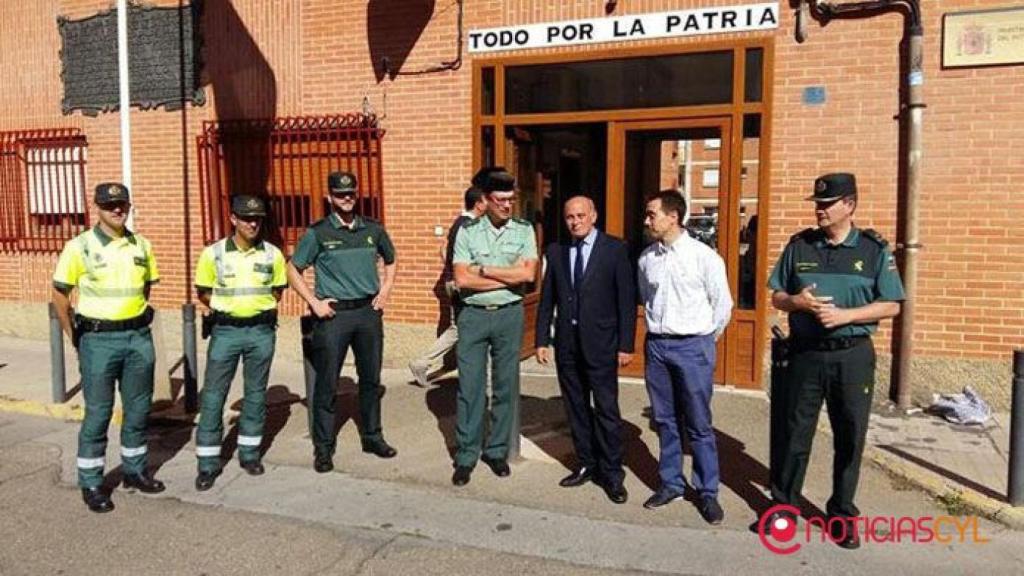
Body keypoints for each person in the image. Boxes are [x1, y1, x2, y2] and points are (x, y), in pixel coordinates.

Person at [767, 173, 904, 549]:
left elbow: (892, 304)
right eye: (817, 204)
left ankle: (842, 514)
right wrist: (798, 302)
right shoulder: (800, 246)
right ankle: (784, 508)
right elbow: (777, 296)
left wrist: (846, 316)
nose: (819, 210)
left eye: (827, 204)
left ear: (850, 205)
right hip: (805, 354)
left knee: (849, 436)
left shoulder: (873, 250)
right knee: (795, 434)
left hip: (852, 356)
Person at [52, 182, 164, 513]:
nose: (117, 210)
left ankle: (134, 470)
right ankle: (91, 481)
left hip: (137, 339)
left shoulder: (141, 245)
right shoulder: (80, 247)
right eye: (110, 205)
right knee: (99, 413)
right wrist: (74, 335)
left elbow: (145, 289)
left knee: (139, 409)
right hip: (98, 341)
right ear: (96, 208)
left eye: (122, 205)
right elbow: (60, 295)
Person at [287, 170, 398, 473]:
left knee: (371, 380)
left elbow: (391, 259)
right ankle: (323, 448)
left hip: (367, 314)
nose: (346, 199)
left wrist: (386, 290)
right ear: (330, 197)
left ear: (357, 193)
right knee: (327, 383)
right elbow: (292, 269)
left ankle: (372, 437)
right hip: (334, 317)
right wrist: (313, 302)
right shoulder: (318, 233)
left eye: (350, 193)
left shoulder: (373, 229)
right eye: (340, 194)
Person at [637, 189, 732, 524]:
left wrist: (703, 340)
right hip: (658, 347)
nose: (647, 220)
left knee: (698, 423)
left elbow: (722, 306)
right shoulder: (647, 259)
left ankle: (707, 492)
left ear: (673, 216)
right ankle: (671, 482)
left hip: (693, 346)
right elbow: (647, 298)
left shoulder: (704, 258)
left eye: (652, 214)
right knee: (664, 420)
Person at [535, 196, 636, 504]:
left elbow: (626, 301)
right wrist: (541, 340)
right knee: (576, 410)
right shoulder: (556, 251)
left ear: (594, 215)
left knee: (606, 411)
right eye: (569, 217)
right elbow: (547, 299)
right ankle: (586, 464)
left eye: (580, 215)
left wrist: (625, 345)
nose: (575, 221)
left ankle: (612, 473)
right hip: (567, 346)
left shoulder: (615, 249)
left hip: (602, 346)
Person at [449, 167, 538, 486]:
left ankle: (497, 451)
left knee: (505, 386)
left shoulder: (524, 230)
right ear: (485, 200)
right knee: (470, 388)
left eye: (510, 200)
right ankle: (466, 455)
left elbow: (528, 276)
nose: (507, 206)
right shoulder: (468, 231)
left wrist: (483, 270)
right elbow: (461, 280)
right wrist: (506, 274)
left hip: (509, 314)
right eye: (500, 200)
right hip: (472, 317)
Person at [193, 195, 287, 491]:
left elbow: (277, 292)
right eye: (246, 218)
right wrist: (230, 308)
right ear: (233, 219)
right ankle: (208, 463)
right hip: (226, 332)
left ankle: (249, 454)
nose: (252, 223)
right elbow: (203, 292)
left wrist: (253, 308)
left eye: (257, 218)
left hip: (260, 332)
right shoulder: (214, 254)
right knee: (213, 396)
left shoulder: (273, 254)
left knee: (256, 395)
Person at [408, 185, 487, 386]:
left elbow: (444, 250)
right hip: (463, 284)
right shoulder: (468, 226)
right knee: (465, 328)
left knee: (463, 327)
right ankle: (422, 362)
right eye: (487, 200)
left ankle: (472, 372)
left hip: (456, 281)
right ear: (479, 204)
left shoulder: (459, 223)